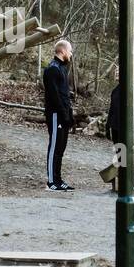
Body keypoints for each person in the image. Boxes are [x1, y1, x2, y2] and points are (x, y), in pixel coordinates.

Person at [43, 39, 75, 190]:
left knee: (61, 149)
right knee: (54, 148)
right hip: (56, 115)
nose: (71, 54)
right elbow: (54, 96)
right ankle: (51, 182)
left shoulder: (62, 68)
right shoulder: (52, 69)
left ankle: (58, 179)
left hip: (63, 115)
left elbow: (64, 95)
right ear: (62, 51)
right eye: (70, 51)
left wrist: (70, 115)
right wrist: (63, 113)